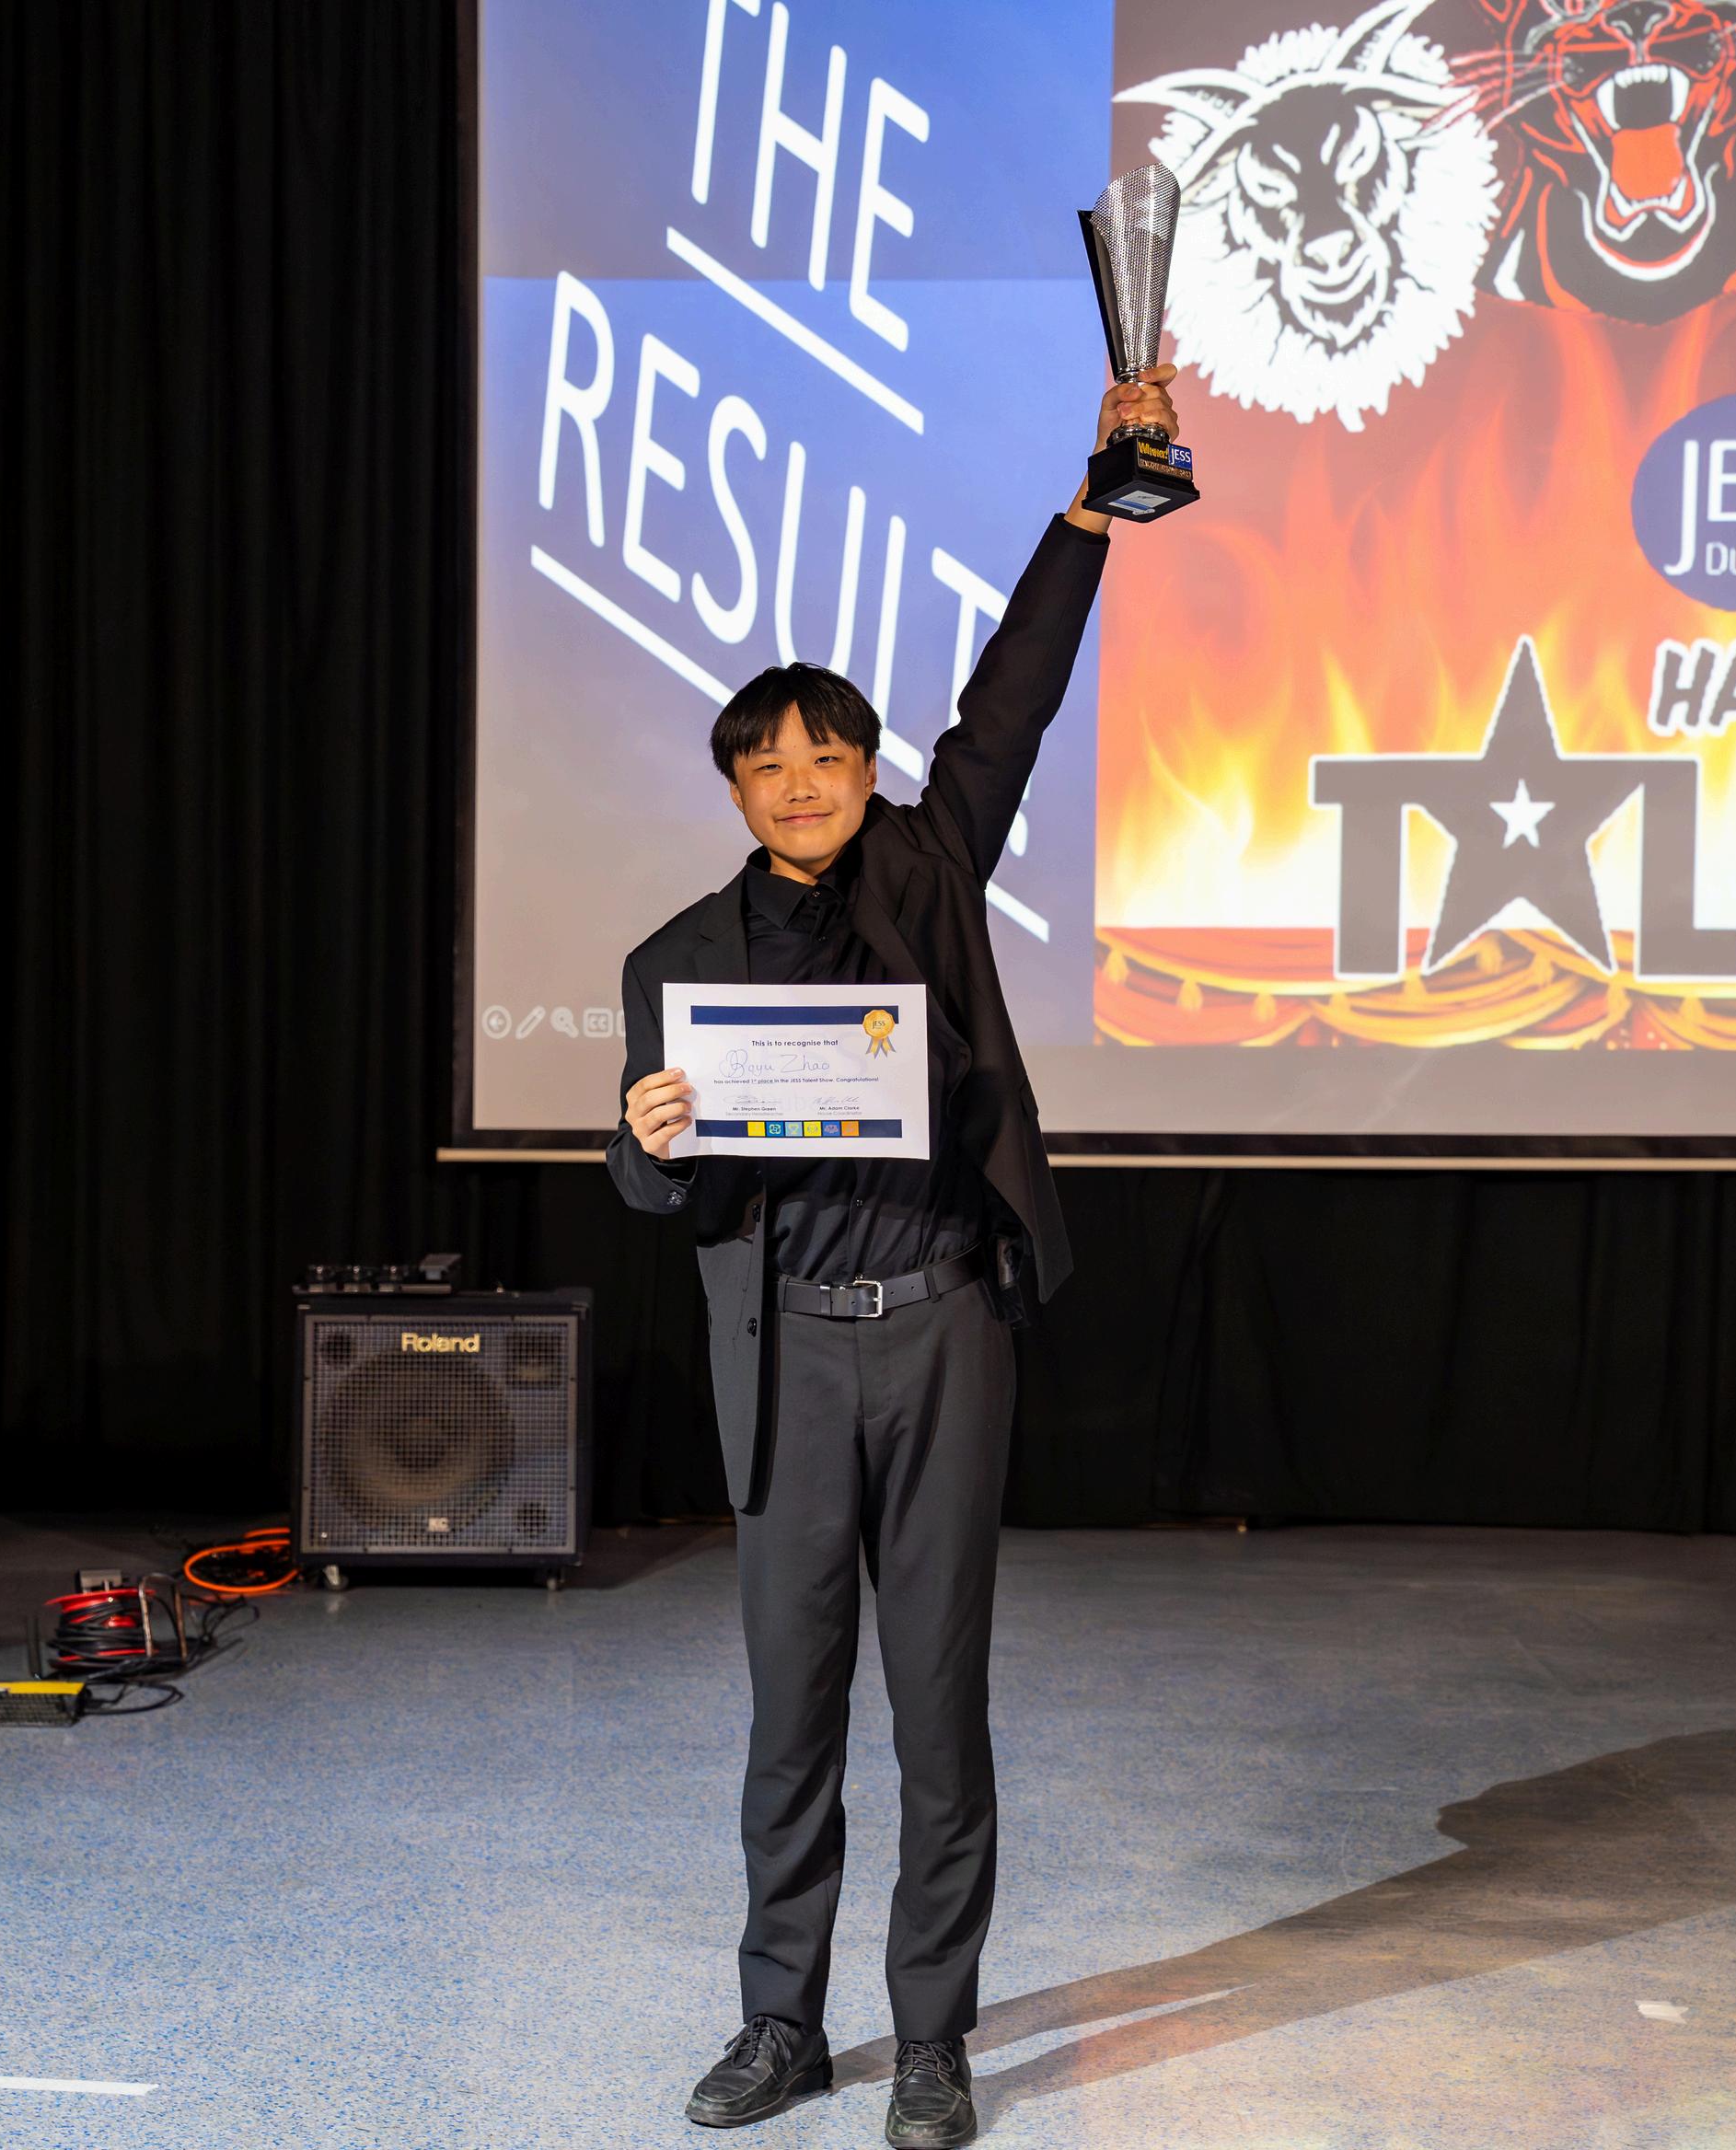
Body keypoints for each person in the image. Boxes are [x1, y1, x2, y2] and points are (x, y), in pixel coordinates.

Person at [608, 365, 1182, 2148]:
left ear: (867, 772)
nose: (800, 786)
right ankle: (779, 2021)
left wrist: (1086, 515)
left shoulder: (930, 870)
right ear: (735, 785)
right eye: (768, 765)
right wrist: (649, 1143)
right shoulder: (677, 959)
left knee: (940, 1703)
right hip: (786, 1350)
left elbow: (1009, 707)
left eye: (828, 758)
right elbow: (661, 1190)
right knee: (790, 1714)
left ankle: (931, 2036)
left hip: (939, 1333)